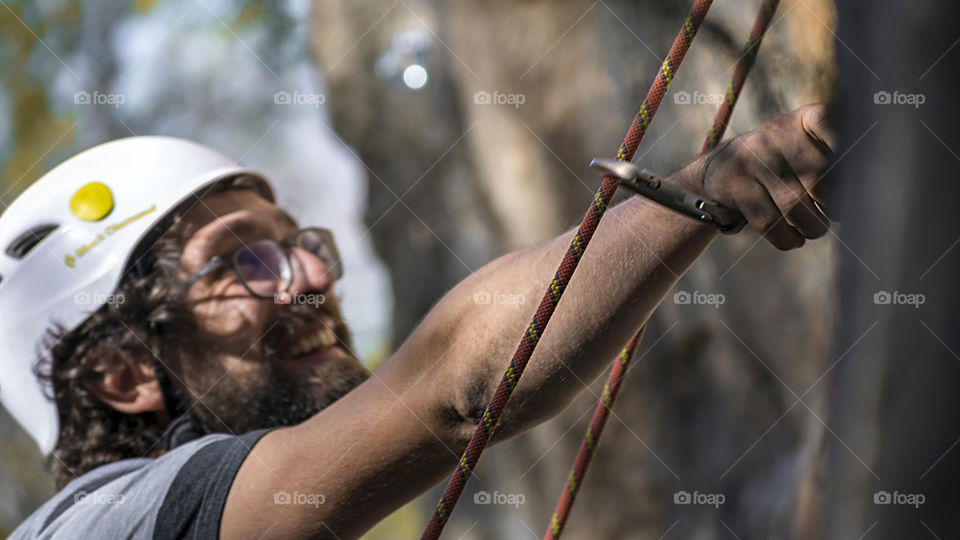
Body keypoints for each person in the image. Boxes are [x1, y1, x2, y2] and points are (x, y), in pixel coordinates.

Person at [3, 104, 834, 539]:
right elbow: (450, 386)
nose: (317, 277)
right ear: (122, 375)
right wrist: (704, 195)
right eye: (242, 261)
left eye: (301, 244)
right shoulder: (110, 526)